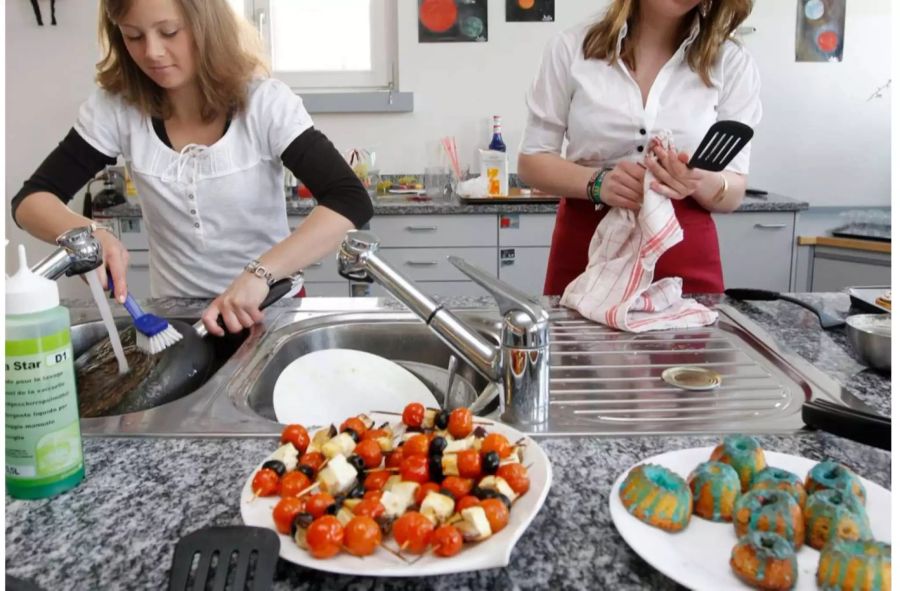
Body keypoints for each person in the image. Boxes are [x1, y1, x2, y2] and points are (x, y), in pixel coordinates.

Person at [11, 0, 373, 336]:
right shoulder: (116, 110)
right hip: (179, 320)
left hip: (270, 307)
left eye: (169, 32)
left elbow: (349, 199)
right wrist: (91, 233)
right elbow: (30, 201)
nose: (152, 52)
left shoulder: (265, 103)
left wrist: (259, 273)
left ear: (206, 26)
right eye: (133, 35)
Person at [518, 0, 761, 296]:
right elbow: (532, 161)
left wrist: (698, 180)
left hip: (683, 258)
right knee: (576, 343)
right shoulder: (570, 49)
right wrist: (597, 182)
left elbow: (733, 191)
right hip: (587, 250)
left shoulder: (732, 61)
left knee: (691, 344)